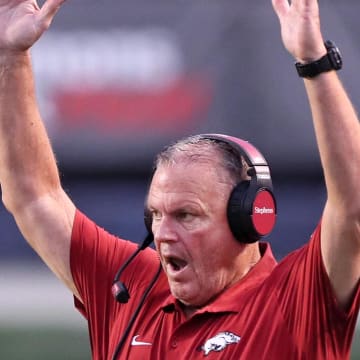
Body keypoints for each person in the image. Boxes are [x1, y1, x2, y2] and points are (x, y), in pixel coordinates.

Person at [0, 0, 359, 359]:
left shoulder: (296, 300)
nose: (162, 234)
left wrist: (316, 64)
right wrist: (9, 58)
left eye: (186, 215)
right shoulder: (133, 286)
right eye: (155, 215)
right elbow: (34, 196)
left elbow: (354, 209)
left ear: (250, 217)